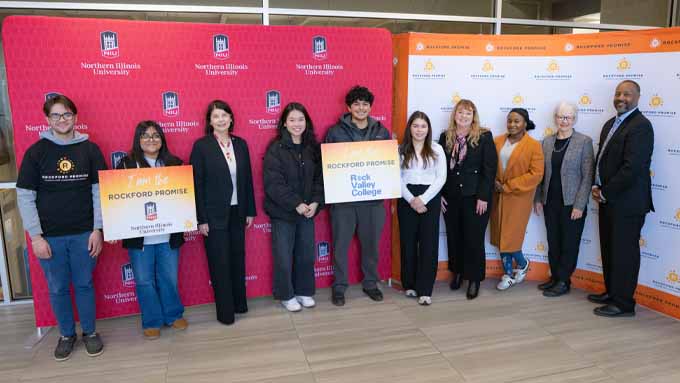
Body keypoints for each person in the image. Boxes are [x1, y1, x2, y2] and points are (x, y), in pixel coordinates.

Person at [17, 94, 106, 361]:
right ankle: (66, 334)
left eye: (66, 114)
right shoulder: (36, 152)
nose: (62, 119)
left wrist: (97, 229)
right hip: (50, 238)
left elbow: (99, 192)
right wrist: (35, 236)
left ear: (75, 117)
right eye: (56, 115)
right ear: (47, 119)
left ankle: (89, 332)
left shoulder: (90, 149)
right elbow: (25, 196)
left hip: (84, 234)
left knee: (84, 285)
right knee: (57, 288)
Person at [115, 121, 188, 338]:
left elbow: (184, 197)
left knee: (169, 278)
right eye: (145, 136)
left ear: (162, 139)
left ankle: (173, 315)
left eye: (156, 135)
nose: (151, 140)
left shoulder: (174, 163)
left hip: (168, 235)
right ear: (138, 140)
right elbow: (117, 200)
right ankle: (152, 320)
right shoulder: (126, 165)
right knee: (144, 280)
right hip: (140, 237)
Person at [589, 80, 654, 317]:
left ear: (638, 97)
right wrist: (597, 186)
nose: (621, 97)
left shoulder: (641, 126)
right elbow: (603, 160)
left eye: (627, 94)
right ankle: (612, 292)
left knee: (624, 253)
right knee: (609, 248)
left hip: (627, 203)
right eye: (618, 93)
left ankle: (624, 303)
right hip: (608, 199)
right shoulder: (610, 123)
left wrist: (606, 191)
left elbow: (632, 167)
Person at [190, 100, 256, 325]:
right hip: (214, 214)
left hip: (238, 211)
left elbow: (247, 180)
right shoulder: (202, 146)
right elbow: (196, 184)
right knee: (220, 263)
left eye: (224, 115)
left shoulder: (241, 144)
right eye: (216, 116)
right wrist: (201, 218)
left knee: (238, 258)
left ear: (231, 119)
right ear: (210, 121)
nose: (221, 120)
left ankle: (240, 304)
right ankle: (225, 313)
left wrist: (250, 210)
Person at [325, 85, 391, 306]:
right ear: (349, 107)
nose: (361, 108)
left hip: (372, 201)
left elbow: (388, 166)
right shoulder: (334, 132)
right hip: (343, 201)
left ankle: (371, 283)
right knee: (341, 246)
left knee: (371, 245)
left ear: (370, 107)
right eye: (356, 104)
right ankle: (340, 287)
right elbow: (326, 166)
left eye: (365, 104)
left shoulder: (382, 131)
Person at [264, 102, 324, 312]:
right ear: (284, 123)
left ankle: (304, 291)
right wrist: (296, 204)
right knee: (283, 256)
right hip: (284, 213)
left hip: (308, 211)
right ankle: (286, 294)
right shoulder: (275, 148)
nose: (297, 124)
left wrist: (316, 201)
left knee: (306, 254)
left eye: (301, 119)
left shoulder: (313, 148)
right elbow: (273, 183)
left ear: (306, 122)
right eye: (292, 120)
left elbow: (320, 178)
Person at [534, 102, 594, 297]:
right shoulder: (547, 142)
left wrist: (580, 205)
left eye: (568, 117)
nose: (564, 121)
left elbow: (588, 176)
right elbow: (541, 174)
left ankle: (563, 281)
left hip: (572, 204)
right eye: (561, 117)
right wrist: (537, 198)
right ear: (555, 118)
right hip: (550, 201)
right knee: (554, 241)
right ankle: (554, 277)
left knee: (569, 243)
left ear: (574, 119)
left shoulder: (584, 141)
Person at [439, 99, 497, 300]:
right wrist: (440, 196)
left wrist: (483, 196)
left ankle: (474, 279)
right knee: (454, 237)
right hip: (451, 197)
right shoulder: (445, 137)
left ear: (474, 117)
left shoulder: (484, 137)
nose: (464, 116)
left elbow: (489, 171)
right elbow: (439, 170)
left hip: (475, 198)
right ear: (454, 114)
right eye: (460, 112)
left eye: (468, 113)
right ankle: (457, 273)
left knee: (473, 240)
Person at [490, 108, 544, 291]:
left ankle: (521, 264)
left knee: (510, 237)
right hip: (497, 196)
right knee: (500, 236)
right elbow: (488, 164)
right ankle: (509, 273)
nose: (512, 124)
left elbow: (536, 174)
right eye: (510, 121)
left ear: (525, 123)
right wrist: (494, 182)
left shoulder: (534, 145)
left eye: (517, 121)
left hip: (518, 198)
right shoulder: (496, 141)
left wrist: (509, 186)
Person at [398, 111, 446, 305]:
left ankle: (425, 290)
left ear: (428, 129)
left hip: (430, 198)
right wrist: (411, 199)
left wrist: (423, 199)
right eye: (415, 126)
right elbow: (397, 178)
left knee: (428, 243)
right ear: (410, 128)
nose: (419, 130)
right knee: (408, 242)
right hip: (406, 197)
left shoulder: (437, 149)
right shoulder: (401, 150)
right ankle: (409, 284)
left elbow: (441, 177)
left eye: (423, 126)